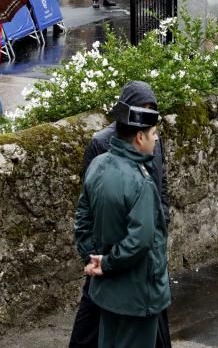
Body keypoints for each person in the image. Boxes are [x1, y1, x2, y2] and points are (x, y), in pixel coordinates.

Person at [69, 81, 171, 348]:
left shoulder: (124, 158)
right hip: (128, 280)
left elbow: (163, 187)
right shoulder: (107, 155)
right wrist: (98, 259)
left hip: (125, 272)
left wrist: (161, 219)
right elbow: (138, 238)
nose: (155, 135)